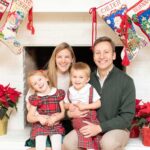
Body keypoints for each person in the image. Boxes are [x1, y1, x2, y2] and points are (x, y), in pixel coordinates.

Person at [63, 36, 136, 150]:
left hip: (116, 129)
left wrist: (99, 128)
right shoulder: (85, 79)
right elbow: (70, 105)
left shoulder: (126, 81)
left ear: (114, 55)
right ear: (93, 56)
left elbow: (126, 117)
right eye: (97, 53)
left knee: (108, 143)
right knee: (68, 142)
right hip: (87, 124)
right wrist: (70, 114)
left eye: (106, 52)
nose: (101, 56)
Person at [25, 42, 76, 150]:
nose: (63, 60)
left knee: (61, 145)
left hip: (65, 121)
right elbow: (30, 100)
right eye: (59, 57)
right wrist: (39, 116)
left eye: (67, 57)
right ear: (54, 59)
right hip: (43, 121)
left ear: (72, 59)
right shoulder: (44, 76)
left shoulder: (76, 77)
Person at [64, 62, 101, 150]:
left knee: (95, 131)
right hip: (78, 117)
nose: (77, 80)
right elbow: (65, 104)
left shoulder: (90, 88)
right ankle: (89, 147)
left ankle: (96, 145)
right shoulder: (70, 90)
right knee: (83, 128)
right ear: (71, 77)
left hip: (91, 115)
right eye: (74, 77)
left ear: (87, 79)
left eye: (81, 77)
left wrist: (85, 106)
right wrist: (69, 106)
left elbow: (98, 103)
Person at [27, 70, 65, 150]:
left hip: (55, 124)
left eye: (40, 79)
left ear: (46, 78)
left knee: (57, 145)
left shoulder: (58, 93)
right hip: (40, 125)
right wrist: (39, 118)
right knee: (40, 145)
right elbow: (29, 117)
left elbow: (63, 113)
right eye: (35, 83)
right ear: (33, 88)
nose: (39, 83)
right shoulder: (35, 98)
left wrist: (55, 118)